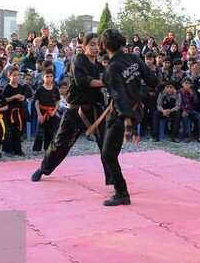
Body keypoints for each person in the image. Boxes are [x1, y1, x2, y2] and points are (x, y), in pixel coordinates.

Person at [31, 33, 111, 182]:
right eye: (92, 44)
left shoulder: (100, 67)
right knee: (61, 144)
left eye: (98, 44)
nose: (96, 47)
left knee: (107, 143)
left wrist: (112, 98)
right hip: (74, 111)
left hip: (94, 111)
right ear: (85, 46)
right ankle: (44, 168)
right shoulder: (78, 60)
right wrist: (106, 82)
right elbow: (82, 81)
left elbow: (101, 91)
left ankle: (113, 179)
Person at [100, 28, 159, 206]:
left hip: (122, 114)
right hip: (136, 108)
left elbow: (119, 97)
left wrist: (128, 125)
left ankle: (121, 192)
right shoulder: (133, 58)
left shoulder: (111, 69)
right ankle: (118, 187)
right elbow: (152, 80)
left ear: (104, 46)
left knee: (108, 154)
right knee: (110, 152)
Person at [2, 66, 29, 156]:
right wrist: (14, 97)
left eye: (18, 75)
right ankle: (8, 150)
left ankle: (17, 149)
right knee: (9, 131)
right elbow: (4, 99)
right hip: (9, 112)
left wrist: (22, 97)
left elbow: (24, 95)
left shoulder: (20, 87)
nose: (17, 77)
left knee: (18, 130)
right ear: (9, 76)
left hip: (18, 111)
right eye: (14, 75)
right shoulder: (7, 87)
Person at [32, 69, 60, 154]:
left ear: (53, 78)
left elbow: (57, 101)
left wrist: (54, 111)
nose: (49, 78)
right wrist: (39, 114)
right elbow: (36, 102)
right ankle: (36, 148)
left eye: (51, 76)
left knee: (50, 131)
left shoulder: (55, 89)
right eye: (47, 76)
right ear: (43, 77)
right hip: (43, 112)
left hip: (51, 112)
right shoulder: (40, 89)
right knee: (40, 132)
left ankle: (47, 148)